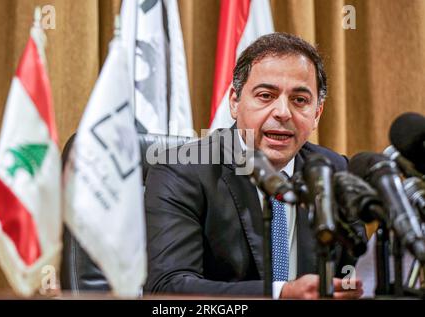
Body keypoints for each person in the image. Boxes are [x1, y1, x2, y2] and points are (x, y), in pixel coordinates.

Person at [144, 32, 364, 299]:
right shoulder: (182, 170)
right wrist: (281, 293)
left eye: (300, 100)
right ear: (235, 102)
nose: (283, 112)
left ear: (317, 113)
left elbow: (354, 273)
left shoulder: (333, 170)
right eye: (265, 95)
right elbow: (167, 287)